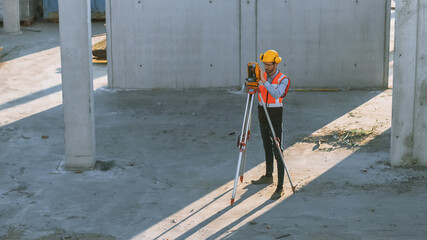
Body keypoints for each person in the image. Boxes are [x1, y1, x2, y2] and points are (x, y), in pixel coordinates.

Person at [251, 50, 290, 200]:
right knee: (266, 145)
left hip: (274, 114)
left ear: (276, 63)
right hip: (262, 111)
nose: (266, 67)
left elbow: (276, 94)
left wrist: (263, 81)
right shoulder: (262, 77)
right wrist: (250, 84)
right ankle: (268, 175)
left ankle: (280, 186)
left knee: (277, 149)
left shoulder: (283, 79)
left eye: (269, 65)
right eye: (264, 65)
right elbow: (251, 91)